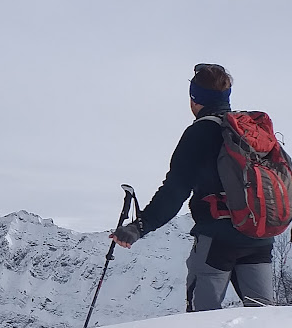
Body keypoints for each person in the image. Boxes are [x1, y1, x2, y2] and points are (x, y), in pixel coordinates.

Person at [111, 63, 274, 311]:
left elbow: (175, 189)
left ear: (194, 99)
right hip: (261, 236)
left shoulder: (200, 132)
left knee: (201, 322)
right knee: (263, 316)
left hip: (218, 240)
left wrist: (139, 226)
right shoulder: (253, 131)